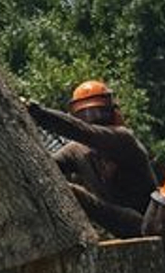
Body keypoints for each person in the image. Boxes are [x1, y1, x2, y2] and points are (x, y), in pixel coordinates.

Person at [25, 80, 157, 235]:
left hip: (144, 224)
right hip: (112, 223)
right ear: (76, 117)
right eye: (85, 114)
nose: (93, 118)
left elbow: (85, 132)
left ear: (113, 112)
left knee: (72, 191)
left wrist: (37, 113)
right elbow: (47, 167)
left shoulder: (123, 139)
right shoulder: (77, 150)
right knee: (59, 186)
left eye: (99, 112)